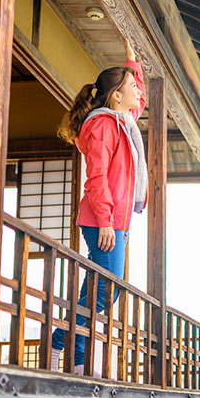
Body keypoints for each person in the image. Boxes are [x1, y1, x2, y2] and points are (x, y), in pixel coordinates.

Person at [50, 39, 146, 375]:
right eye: (131, 86)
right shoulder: (103, 125)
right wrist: (106, 221)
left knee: (97, 290)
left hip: (114, 221)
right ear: (116, 96)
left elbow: (139, 102)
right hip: (102, 221)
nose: (137, 92)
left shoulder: (123, 121)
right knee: (108, 289)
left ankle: (76, 360)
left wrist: (132, 63)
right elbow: (97, 177)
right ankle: (60, 343)